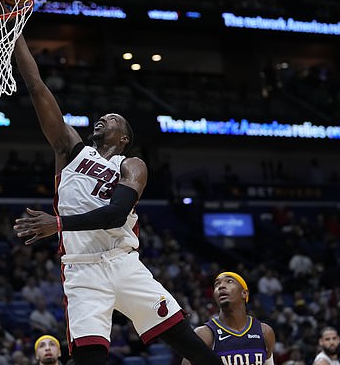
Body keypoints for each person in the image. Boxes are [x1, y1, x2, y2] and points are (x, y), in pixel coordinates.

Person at [12, 35, 221, 365]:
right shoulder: (69, 151)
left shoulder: (131, 165)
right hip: (81, 272)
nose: (104, 118)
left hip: (122, 263)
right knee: (89, 359)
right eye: (103, 116)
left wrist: (59, 224)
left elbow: (116, 213)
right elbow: (37, 85)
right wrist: (17, 33)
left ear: (123, 137)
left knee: (189, 345)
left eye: (113, 118)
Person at [182, 272, 276, 365]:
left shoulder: (265, 332)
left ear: (244, 293)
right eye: (217, 284)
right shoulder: (204, 334)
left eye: (229, 281)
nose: (221, 286)